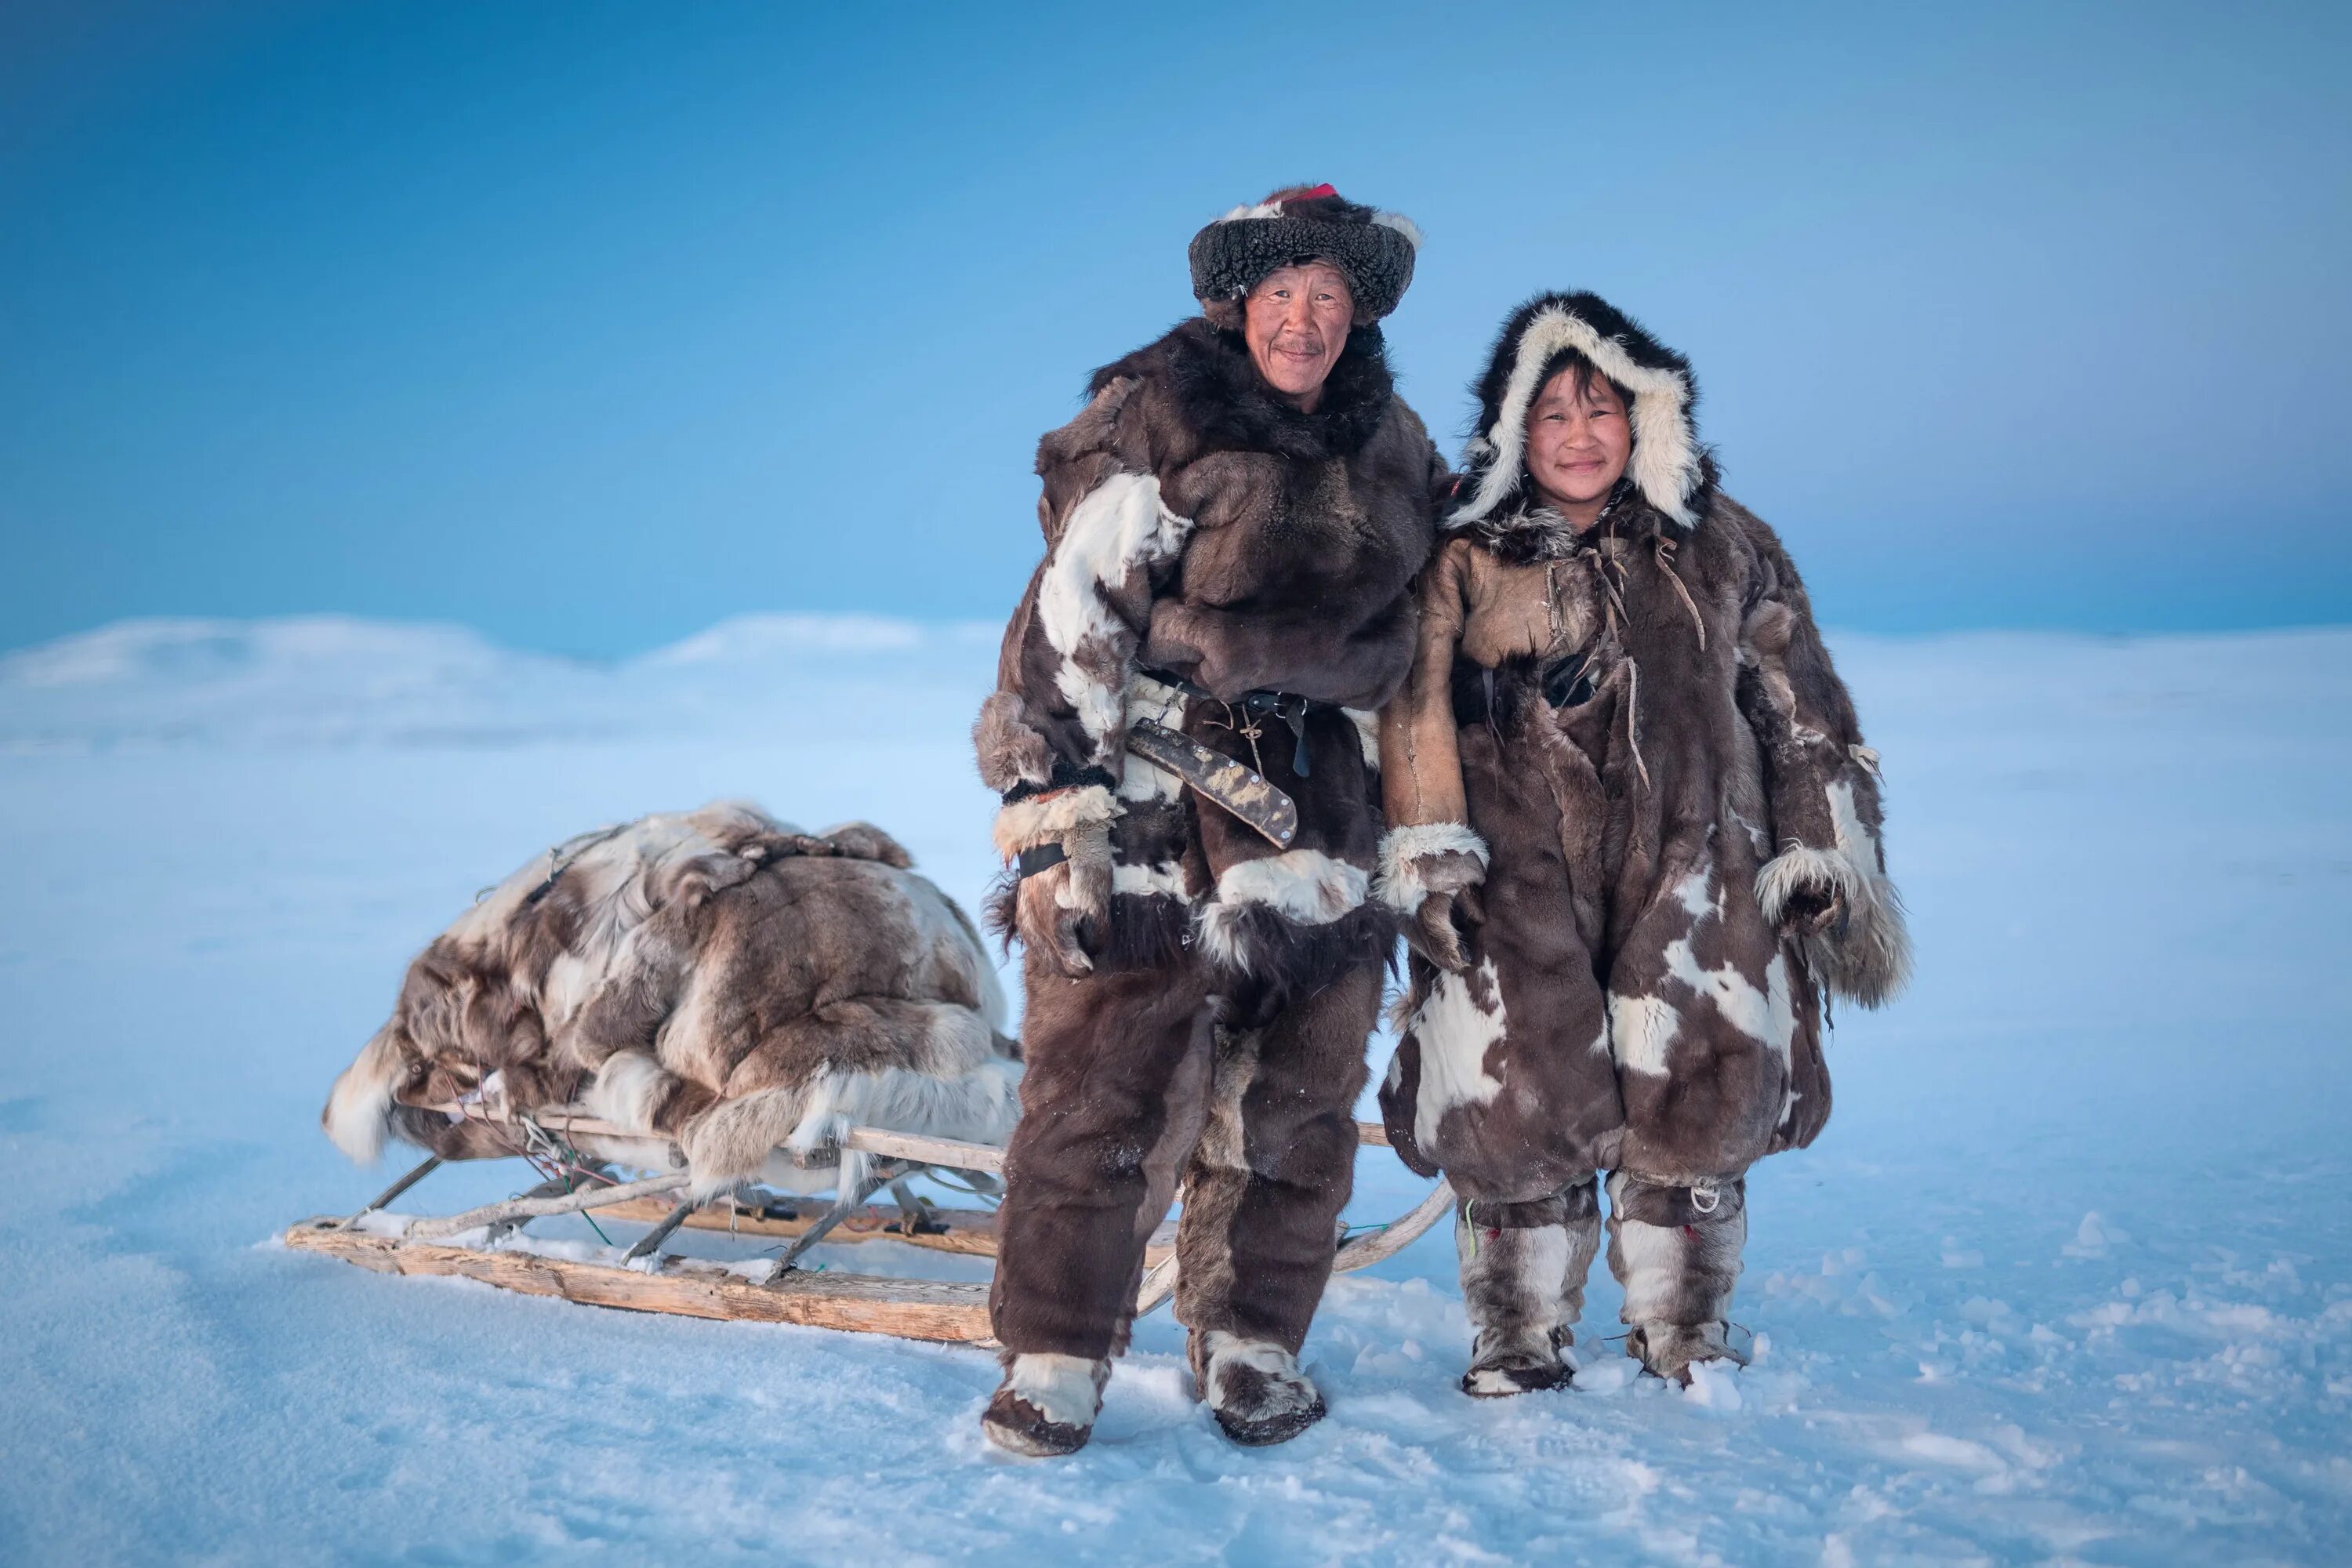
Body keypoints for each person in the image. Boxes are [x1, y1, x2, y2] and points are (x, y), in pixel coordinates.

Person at [972, 186, 1449, 1455]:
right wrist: (1056, 797)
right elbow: (1071, 608)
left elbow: (1427, 634)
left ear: (1357, 316)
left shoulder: (1396, 448)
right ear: (1241, 304)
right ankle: (1058, 1354)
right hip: (1148, 801)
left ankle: (1249, 1343)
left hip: (1318, 812)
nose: (1304, 322)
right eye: (1283, 296)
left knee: (1297, 1096)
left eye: (1329, 301)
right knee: (1103, 1088)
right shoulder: (1157, 414)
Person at [1374, 292, 1911, 1395]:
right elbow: (1412, 704)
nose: (1579, 437)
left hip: (1700, 857)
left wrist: (1819, 849)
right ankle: (1517, 1331)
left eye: (1602, 411)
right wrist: (1428, 845)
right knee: (1516, 1093)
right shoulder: (1466, 555)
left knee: (1699, 1086)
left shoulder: (1723, 545)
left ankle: (1684, 1328)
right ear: (1516, 431)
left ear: (1647, 420)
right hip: (1513, 865)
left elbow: (1797, 702)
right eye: (1554, 415)